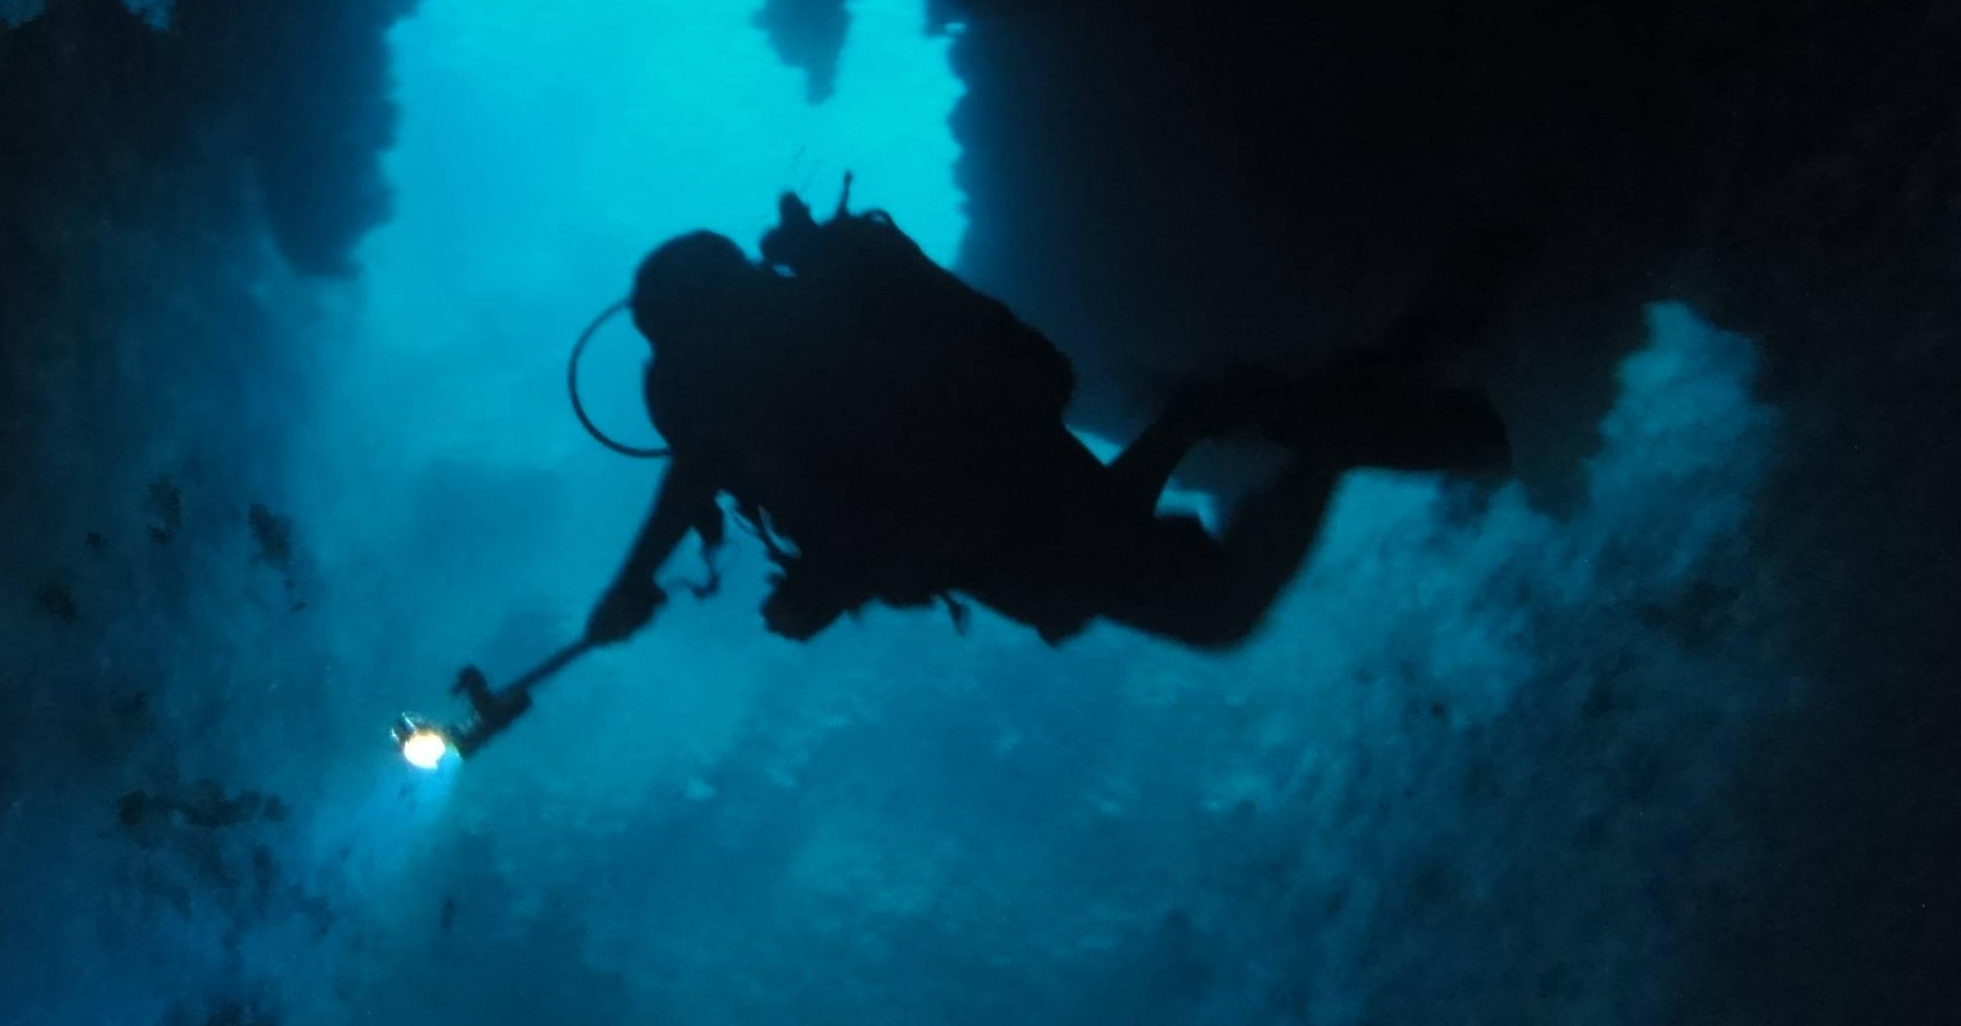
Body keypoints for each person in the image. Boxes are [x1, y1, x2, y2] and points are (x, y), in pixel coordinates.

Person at [584, 186, 1512, 651]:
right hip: (989, 529)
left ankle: (1360, 409)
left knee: (1212, 603)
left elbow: (960, 480)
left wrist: (838, 579)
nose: (693, 366)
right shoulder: (715, 386)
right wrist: (635, 580)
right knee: (1205, 597)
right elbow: (700, 466)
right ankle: (1379, 398)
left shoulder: (793, 364)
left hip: (1000, 500)